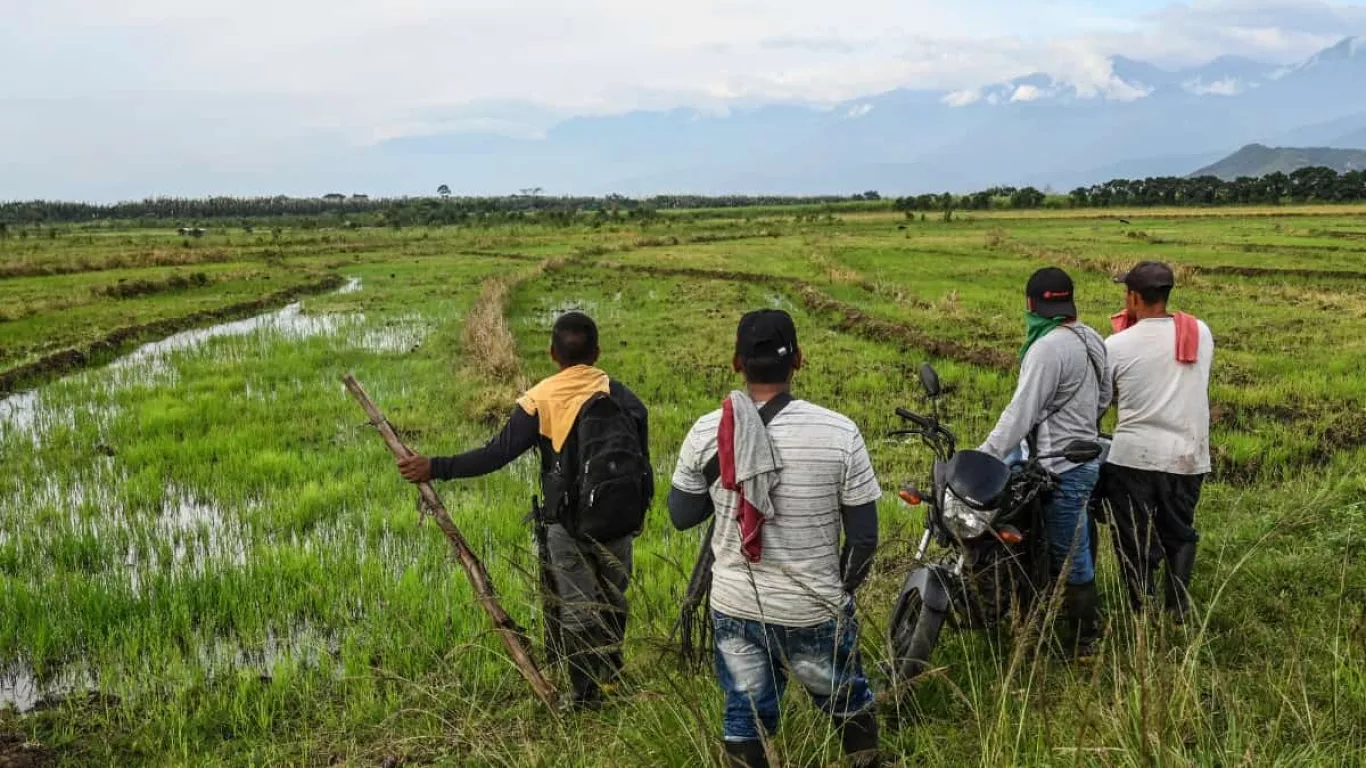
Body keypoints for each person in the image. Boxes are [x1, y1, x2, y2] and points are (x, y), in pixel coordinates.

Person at [397, 311, 652, 708]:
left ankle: (586, 697)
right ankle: (612, 679)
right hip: (620, 520)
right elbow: (642, 464)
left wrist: (436, 467)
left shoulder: (540, 400)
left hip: (566, 525)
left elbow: (495, 454)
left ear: (552, 353)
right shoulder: (623, 396)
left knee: (578, 608)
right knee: (613, 598)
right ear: (597, 351)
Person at [668, 309, 883, 768]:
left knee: (745, 717)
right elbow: (864, 539)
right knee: (847, 704)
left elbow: (682, 516)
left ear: (736, 363)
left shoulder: (709, 431)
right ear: (799, 360)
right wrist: (836, 594)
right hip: (814, 607)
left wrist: (728, 480)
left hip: (736, 605)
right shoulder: (840, 432)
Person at [978, 267, 1112, 657]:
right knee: (1048, 541)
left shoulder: (1046, 349)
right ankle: (1035, 613)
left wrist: (983, 456)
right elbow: (1104, 397)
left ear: (1030, 305)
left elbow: (1020, 414)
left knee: (1070, 553)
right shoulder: (1091, 338)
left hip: (1060, 468)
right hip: (1083, 457)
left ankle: (1086, 639)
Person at [1101, 261, 1213, 623]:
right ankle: (1178, 607)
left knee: (1134, 539)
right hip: (1188, 455)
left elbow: (1105, 399)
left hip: (1134, 456)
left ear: (1133, 297)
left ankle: (1142, 612)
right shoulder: (1199, 332)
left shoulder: (1116, 344)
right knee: (1179, 531)